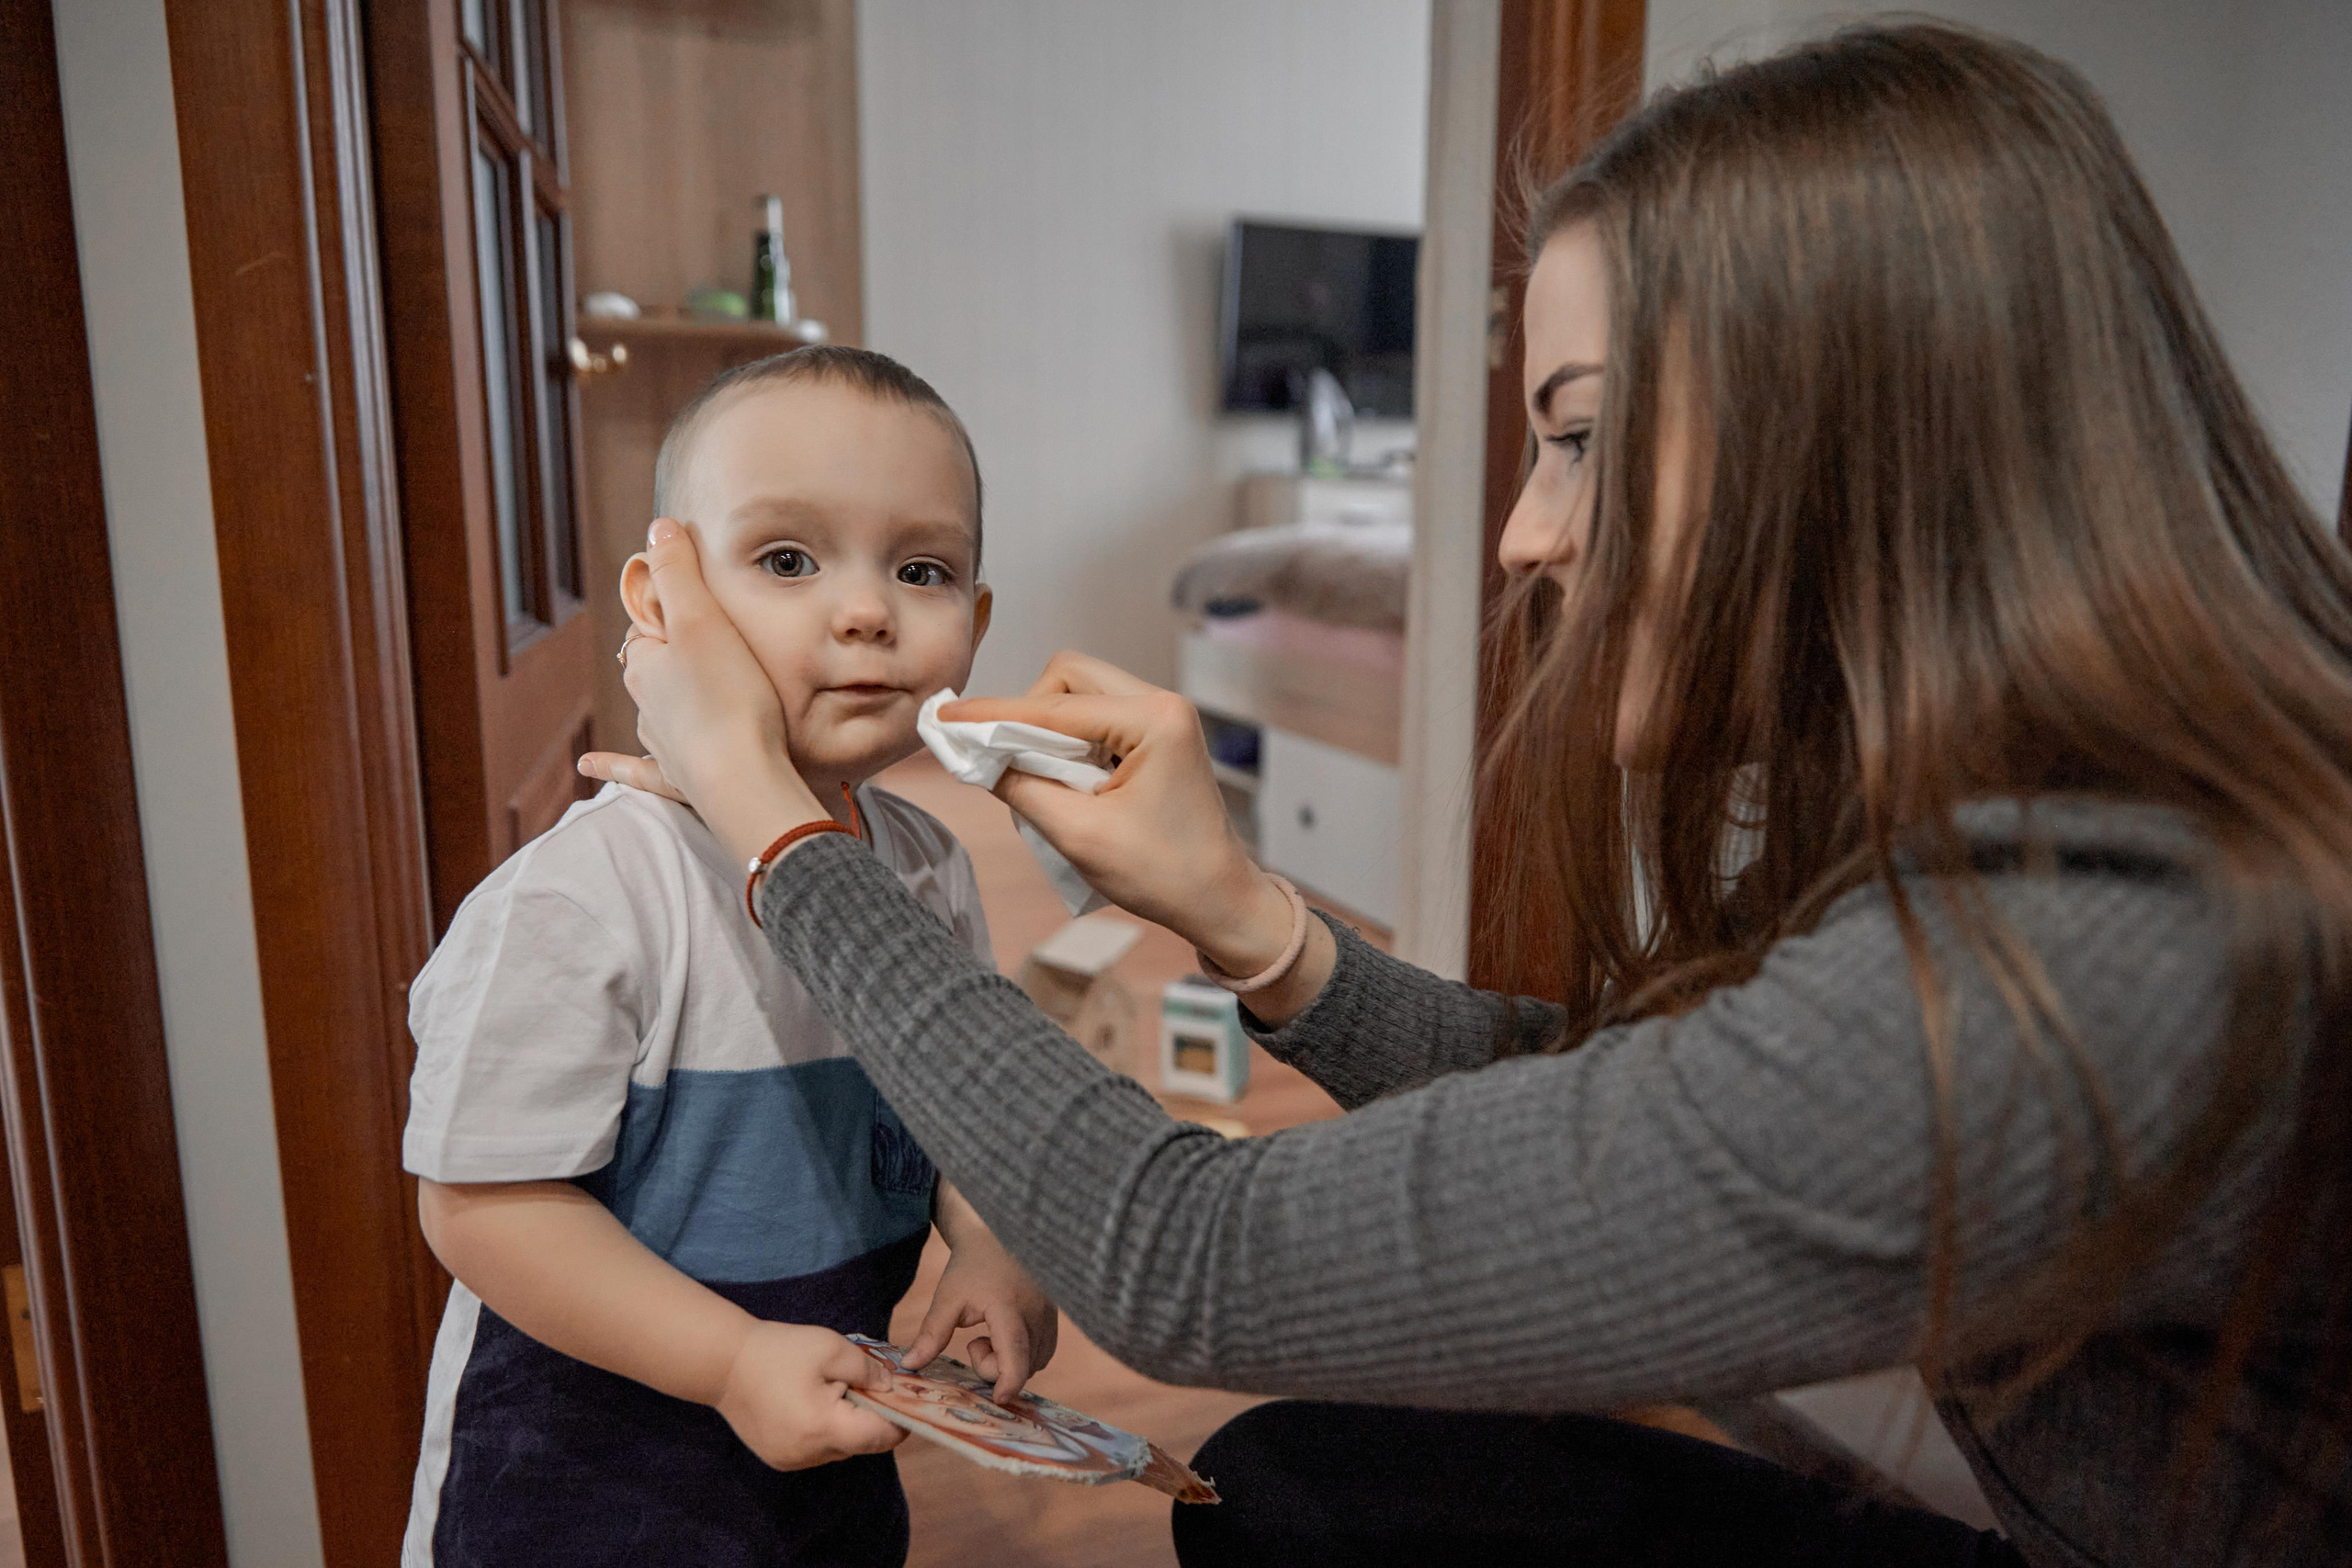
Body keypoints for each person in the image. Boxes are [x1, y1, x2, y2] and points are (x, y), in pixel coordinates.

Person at [582, 24, 2352, 1567]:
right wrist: (1255, 926)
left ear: (1854, 431)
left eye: (1575, 435)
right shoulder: (2086, 849)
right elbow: (1635, 1112)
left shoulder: (2089, 968)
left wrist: (775, 825)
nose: (1521, 531)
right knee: (1295, 1487)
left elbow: (1185, 1258)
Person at [401, 346, 1057, 1568]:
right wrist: (728, 1360)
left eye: (920, 569)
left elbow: (967, 1109)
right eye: (789, 560)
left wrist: (994, 1248)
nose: (864, 609)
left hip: (823, 1441)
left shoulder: (926, 869)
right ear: (662, 604)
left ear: (973, 623)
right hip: (575, 1478)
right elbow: (483, 1206)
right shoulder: (585, 897)